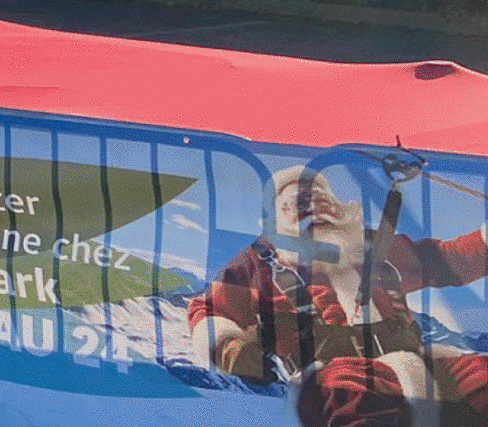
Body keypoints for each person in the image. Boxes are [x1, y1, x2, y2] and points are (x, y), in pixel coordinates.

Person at [189, 162, 488, 426]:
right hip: (332, 374)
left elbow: (450, 260)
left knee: (479, 377)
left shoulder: (376, 247)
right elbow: (211, 310)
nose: (316, 207)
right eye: (299, 202)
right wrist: (232, 351)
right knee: (349, 398)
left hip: (417, 363)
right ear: (279, 218)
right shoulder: (258, 263)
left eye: (322, 198)